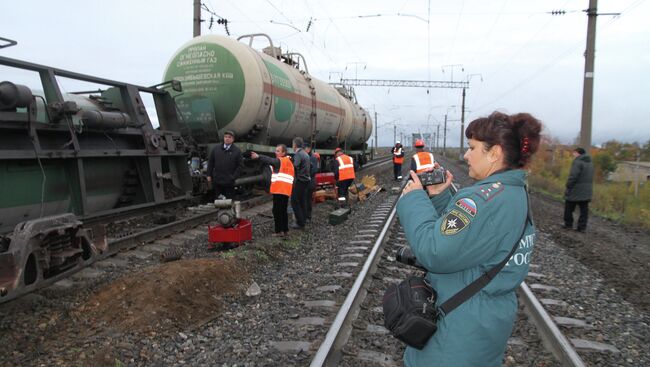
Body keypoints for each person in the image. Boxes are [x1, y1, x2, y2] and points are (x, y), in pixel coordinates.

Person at [396, 111, 542, 367]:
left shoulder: (480, 200)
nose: (465, 155)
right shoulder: (514, 194)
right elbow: (472, 240)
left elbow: (434, 251)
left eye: (472, 147)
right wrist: (442, 198)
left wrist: (414, 199)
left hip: (454, 338)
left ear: (494, 153)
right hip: (483, 327)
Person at [250, 145, 293, 237]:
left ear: (283, 153)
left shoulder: (280, 161)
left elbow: (269, 160)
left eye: (278, 151)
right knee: (283, 211)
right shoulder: (288, 161)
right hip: (285, 190)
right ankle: (285, 230)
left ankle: (278, 231)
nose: (275, 152)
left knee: (277, 211)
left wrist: (258, 156)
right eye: (276, 151)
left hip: (279, 190)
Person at [564, 147, 594, 232]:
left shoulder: (577, 162)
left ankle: (568, 224)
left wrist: (568, 185)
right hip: (587, 190)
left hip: (576, 189)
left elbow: (573, 175)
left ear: (578, 153)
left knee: (569, 206)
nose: (573, 155)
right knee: (584, 209)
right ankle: (582, 227)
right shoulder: (590, 162)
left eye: (574, 153)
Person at [206, 130, 243, 200]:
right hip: (217, 181)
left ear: (233, 139)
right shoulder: (216, 149)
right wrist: (209, 175)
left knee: (229, 201)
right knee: (218, 200)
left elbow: (240, 166)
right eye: (225, 137)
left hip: (229, 182)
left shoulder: (237, 151)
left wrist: (233, 177)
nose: (227, 138)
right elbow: (211, 162)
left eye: (229, 137)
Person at [290, 137, 311, 229]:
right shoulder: (305, 154)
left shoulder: (298, 154)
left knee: (294, 201)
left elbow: (295, 166)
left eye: (292, 144)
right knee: (302, 201)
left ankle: (300, 222)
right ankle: (304, 219)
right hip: (306, 181)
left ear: (295, 145)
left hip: (300, 181)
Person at [304, 142, 320, 222]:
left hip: (309, 182)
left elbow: (314, 171)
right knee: (304, 199)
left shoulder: (313, 158)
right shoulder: (305, 156)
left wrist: (304, 175)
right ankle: (304, 216)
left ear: (309, 149)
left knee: (308, 199)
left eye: (304, 148)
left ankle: (308, 217)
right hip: (305, 182)